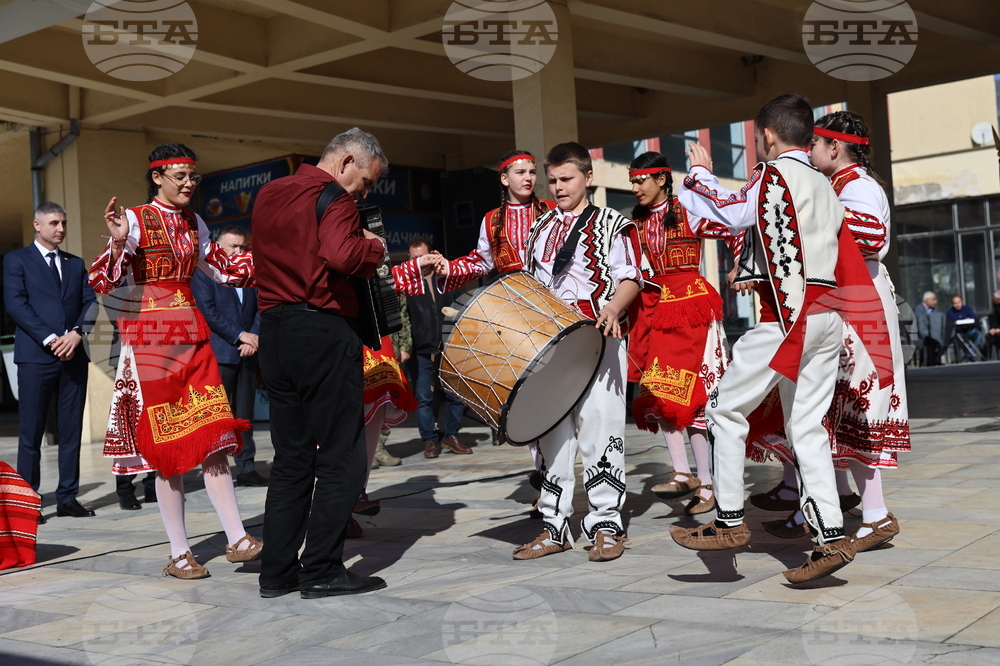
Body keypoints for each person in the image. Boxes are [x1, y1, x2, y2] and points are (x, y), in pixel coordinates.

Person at [670, 94, 891, 584]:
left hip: (786, 318)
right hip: (827, 317)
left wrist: (699, 174)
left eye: (756, 138)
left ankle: (728, 520)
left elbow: (725, 213)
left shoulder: (773, 176)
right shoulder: (824, 182)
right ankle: (831, 535)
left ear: (767, 136)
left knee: (726, 409)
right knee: (808, 428)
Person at [251, 127, 436, 599]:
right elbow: (341, 253)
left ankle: (276, 572)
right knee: (341, 457)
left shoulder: (269, 193)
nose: (364, 191)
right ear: (347, 160)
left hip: (274, 331)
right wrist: (375, 247)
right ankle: (321, 570)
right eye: (367, 181)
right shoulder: (335, 198)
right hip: (321, 331)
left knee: (291, 459)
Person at [89, 144, 262, 580]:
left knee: (213, 434)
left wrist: (280, 255)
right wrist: (114, 239)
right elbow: (101, 280)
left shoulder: (194, 222)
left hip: (191, 334)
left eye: (193, 177)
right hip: (152, 339)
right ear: (157, 177)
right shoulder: (133, 219)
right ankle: (180, 552)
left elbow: (225, 268)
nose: (189, 184)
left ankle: (237, 538)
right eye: (181, 176)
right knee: (168, 448)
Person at [748, 111, 910, 552]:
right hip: (844, 298)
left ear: (833, 148)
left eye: (815, 144)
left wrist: (813, 208)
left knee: (852, 405)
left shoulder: (856, 187)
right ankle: (829, 502)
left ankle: (874, 514)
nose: (810, 151)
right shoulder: (839, 186)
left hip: (859, 299)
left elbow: (872, 237)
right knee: (829, 405)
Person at [510, 142, 641, 563]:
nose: (558, 186)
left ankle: (606, 524)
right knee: (551, 436)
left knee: (602, 430)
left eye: (566, 179)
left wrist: (613, 306)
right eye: (554, 180)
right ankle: (554, 526)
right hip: (550, 345)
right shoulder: (539, 228)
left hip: (598, 340)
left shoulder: (612, 224)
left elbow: (631, 278)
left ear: (588, 177)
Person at [625, 151, 735, 515]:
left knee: (695, 398)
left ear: (661, 179)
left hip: (691, 307)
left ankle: (706, 484)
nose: (636, 186)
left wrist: (741, 266)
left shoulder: (689, 209)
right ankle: (683, 472)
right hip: (654, 308)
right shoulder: (634, 223)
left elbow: (733, 226)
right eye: (633, 180)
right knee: (661, 391)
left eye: (642, 179)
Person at [436, 150, 554, 486]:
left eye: (532, 171)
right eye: (519, 172)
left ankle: (553, 473)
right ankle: (544, 475)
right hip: (515, 315)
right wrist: (449, 267)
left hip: (552, 308)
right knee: (528, 392)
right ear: (505, 179)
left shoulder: (550, 211)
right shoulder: (491, 220)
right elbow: (480, 262)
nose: (528, 177)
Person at [4, 202, 96, 523]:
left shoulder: (75, 263)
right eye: (54, 222)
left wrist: (75, 334)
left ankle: (67, 497)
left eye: (64, 223)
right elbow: (16, 304)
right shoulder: (16, 260)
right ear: (37, 225)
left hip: (73, 356)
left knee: (70, 430)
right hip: (35, 357)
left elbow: (90, 303)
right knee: (32, 432)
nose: (61, 228)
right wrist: (49, 338)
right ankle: (29, 501)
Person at [192, 225, 268, 487]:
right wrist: (240, 335)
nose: (239, 251)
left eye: (242, 247)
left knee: (245, 414)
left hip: (248, 352)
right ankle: (216, 469)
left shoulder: (251, 273)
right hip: (220, 353)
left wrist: (253, 337)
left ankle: (247, 468)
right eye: (233, 246)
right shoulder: (204, 272)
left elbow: (262, 307)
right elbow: (208, 312)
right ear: (217, 246)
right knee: (217, 415)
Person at [406, 237, 473, 459]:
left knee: (456, 395)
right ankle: (430, 441)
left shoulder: (447, 279)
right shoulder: (406, 284)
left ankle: (451, 436)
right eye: (415, 258)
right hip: (421, 349)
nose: (419, 262)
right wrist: (404, 346)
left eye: (423, 257)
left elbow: (461, 309)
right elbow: (402, 319)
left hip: (449, 346)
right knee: (425, 397)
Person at [947, 295, 982, 362]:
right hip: (959, 333)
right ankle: (969, 355)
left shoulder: (967, 309)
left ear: (962, 302)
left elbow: (975, 318)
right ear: (952, 304)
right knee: (957, 339)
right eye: (955, 303)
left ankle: (968, 355)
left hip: (970, 330)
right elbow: (950, 323)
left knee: (979, 335)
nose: (957, 305)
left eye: (959, 302)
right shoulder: (950, 313)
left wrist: (968, 320)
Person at [914, 291, 945, 366]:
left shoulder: (933, 310)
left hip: (932, 333)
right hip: (919, 335)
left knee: (944, 336)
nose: (936, 302)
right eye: (933, 299)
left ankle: (936, 358)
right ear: (927, 300)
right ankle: (930, 359)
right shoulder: (918, 310)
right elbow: (919, 326)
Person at [986, 291, 1000, 357]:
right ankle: (987, 357)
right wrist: (993, 329)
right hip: (996, 329)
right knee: (989, 336)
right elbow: (994, 320)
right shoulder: (995, 308)